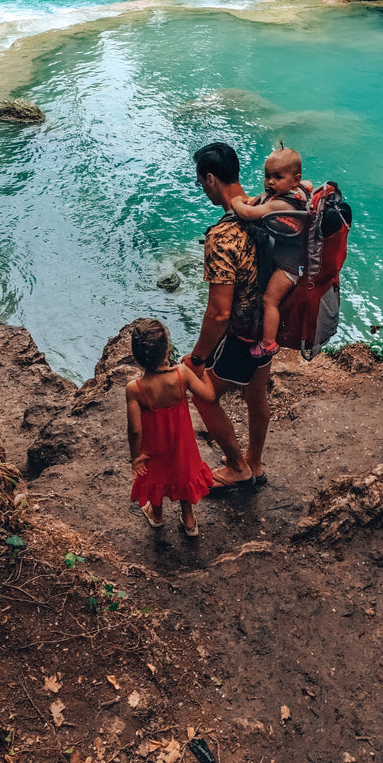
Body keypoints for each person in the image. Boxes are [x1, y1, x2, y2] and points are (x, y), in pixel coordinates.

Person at [184, 142, 271, 491]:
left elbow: (219, 312)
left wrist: (198, 357)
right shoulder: (266, 211)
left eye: (199, 183)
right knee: (256, 392)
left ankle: (238, 468)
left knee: (203, 395)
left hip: (242, 335)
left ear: (209, 179)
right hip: (270, 327)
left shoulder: (222, 237)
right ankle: (255, 460)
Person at [126, 318, 216, 536]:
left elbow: (135, 429)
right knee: (182, 474)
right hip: (181, 442)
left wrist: (136, 456)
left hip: (154, 445)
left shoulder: (135, 389)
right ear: (167, 350)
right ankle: (189, 520)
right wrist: (202, 371)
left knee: (156, 476)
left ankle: (156, 516)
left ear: (137, 356)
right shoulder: (182, 374)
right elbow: (209, 396)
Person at [231, 146, 312, 360]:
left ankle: (268, 343)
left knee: (270, 300)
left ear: (295, 180)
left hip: (291, 267)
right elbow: (309, 184)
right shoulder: (302, 191)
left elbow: (248, 213)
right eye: (267, 176)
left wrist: (236, 201)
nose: (270, 182)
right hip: (300, 260)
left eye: (278, 177)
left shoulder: (278, 204)